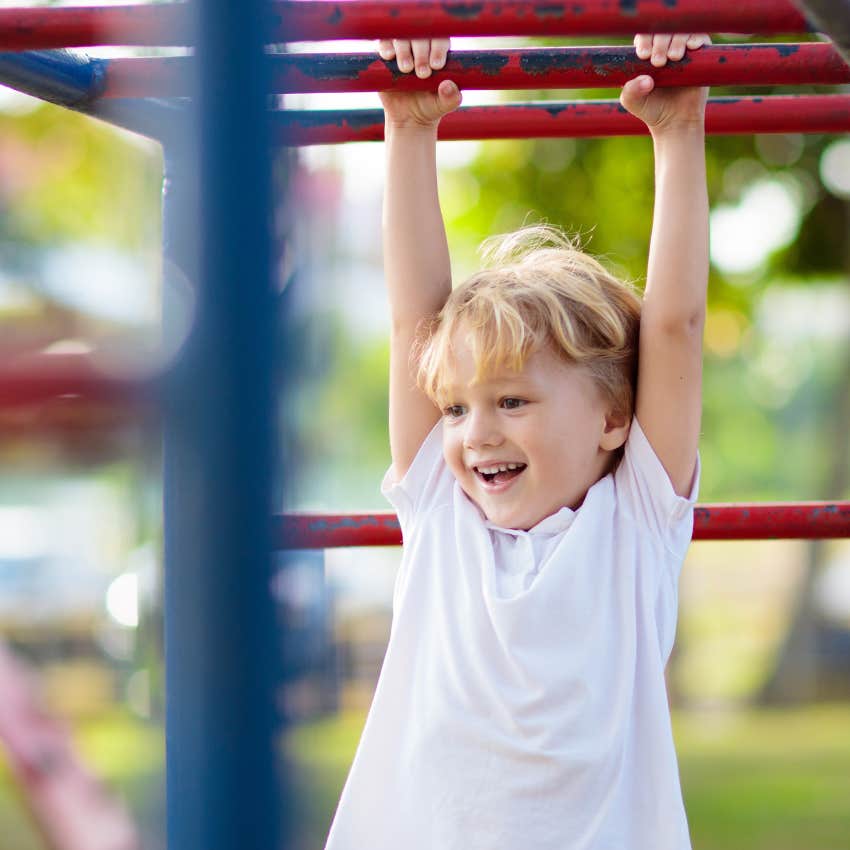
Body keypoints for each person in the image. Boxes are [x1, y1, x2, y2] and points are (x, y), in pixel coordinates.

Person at [325, 31, 710, 850]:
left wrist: (678, 134)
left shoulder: (635, 523)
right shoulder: (442, 510)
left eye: (511, 399)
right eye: (457, 409)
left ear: (615, 421)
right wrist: (410, 130)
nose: (475, 435)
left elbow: (674, 328)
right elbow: (413, 323)